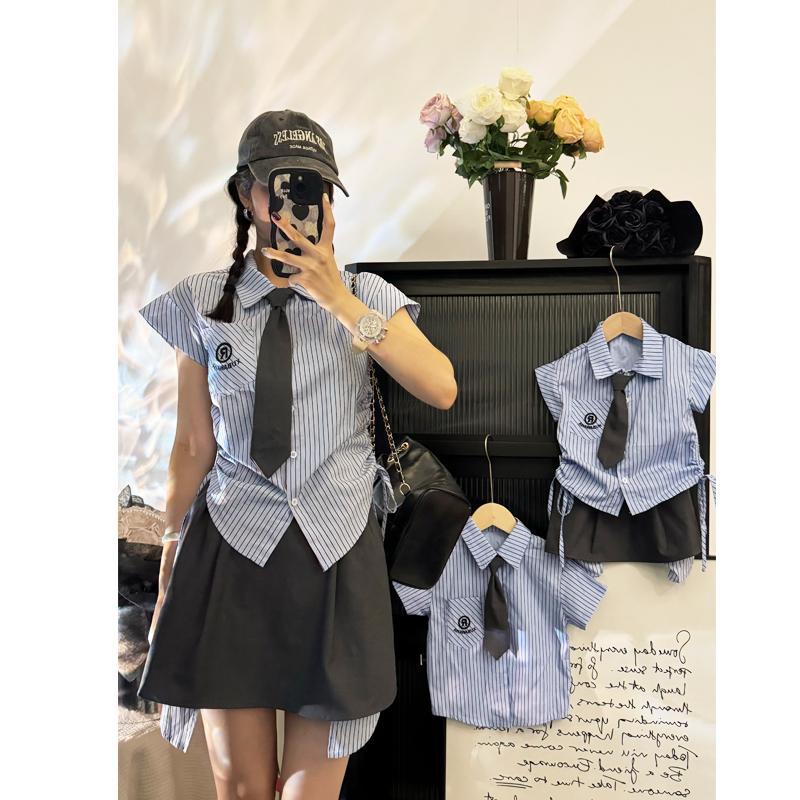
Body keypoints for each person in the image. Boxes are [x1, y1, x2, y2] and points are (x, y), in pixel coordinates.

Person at [135, 109, 458, 800]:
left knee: (310, 794)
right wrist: (170, 547)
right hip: (230, 549)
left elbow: (440, 387)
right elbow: (192, 443)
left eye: (313, 188)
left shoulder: (365, 297)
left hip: (335, 546)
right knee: (242, 788)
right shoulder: (203, 302)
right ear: (246, 193)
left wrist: (336, 297)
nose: (295, 204)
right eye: (280, 185)